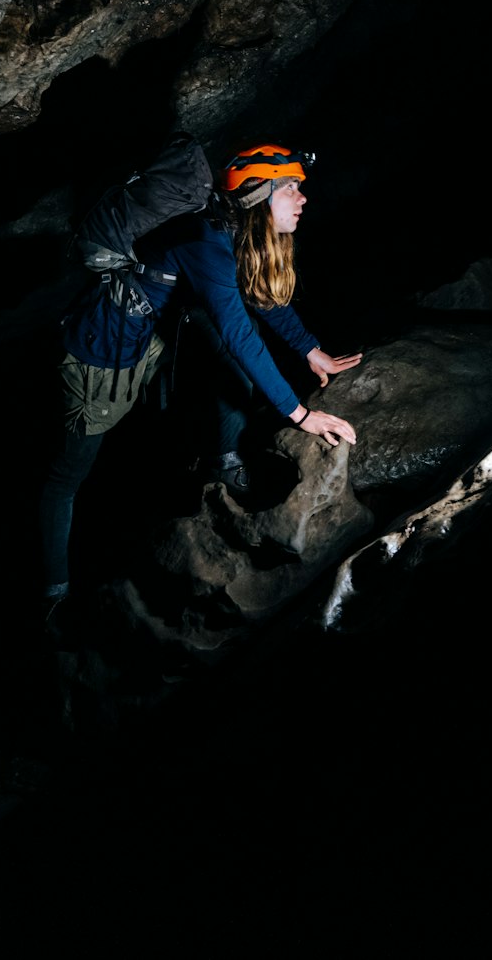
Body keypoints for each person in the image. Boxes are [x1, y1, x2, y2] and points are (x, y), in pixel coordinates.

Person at [38, 141, 362, 629]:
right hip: (101, 352)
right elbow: (235, 329)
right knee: (67, 478)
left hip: (153, 334)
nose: (303, 198)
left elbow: (257, 295)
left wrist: (310, 349)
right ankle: (54, 591)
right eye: (292, 188)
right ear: (258, 196)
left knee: (235, 349)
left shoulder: (230, 225)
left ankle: (222, 458)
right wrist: (299, 414)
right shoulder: (204, 237)